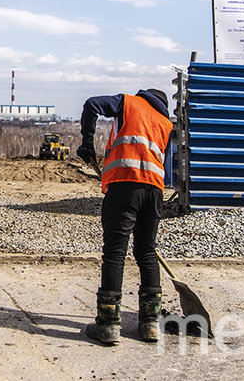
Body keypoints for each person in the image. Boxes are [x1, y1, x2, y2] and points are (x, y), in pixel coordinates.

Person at [78, 88, 174, 345]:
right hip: (154, 191)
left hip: (124, 186)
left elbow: (91, 104)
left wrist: (87, 142)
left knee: (115, 253)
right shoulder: (166, 123)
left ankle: (108, 325)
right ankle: (150, 325)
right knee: (146, 252)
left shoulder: (129, 103)